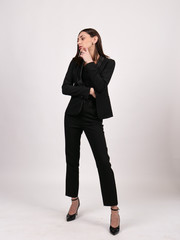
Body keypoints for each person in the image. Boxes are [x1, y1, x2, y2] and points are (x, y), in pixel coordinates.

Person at [61, 28, 120, 235]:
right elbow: (65, 88)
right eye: (77, 38)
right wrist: (88, 91)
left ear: (94, 39)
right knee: (72, 159)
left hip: (93, 117)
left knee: (103, 162)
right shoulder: (74, 62)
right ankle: (74, 200)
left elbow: (102, 87)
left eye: (83, 37)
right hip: (73, 116)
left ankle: (114, 209)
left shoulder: (108, 63)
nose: (79, 41)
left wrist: (89, 62)